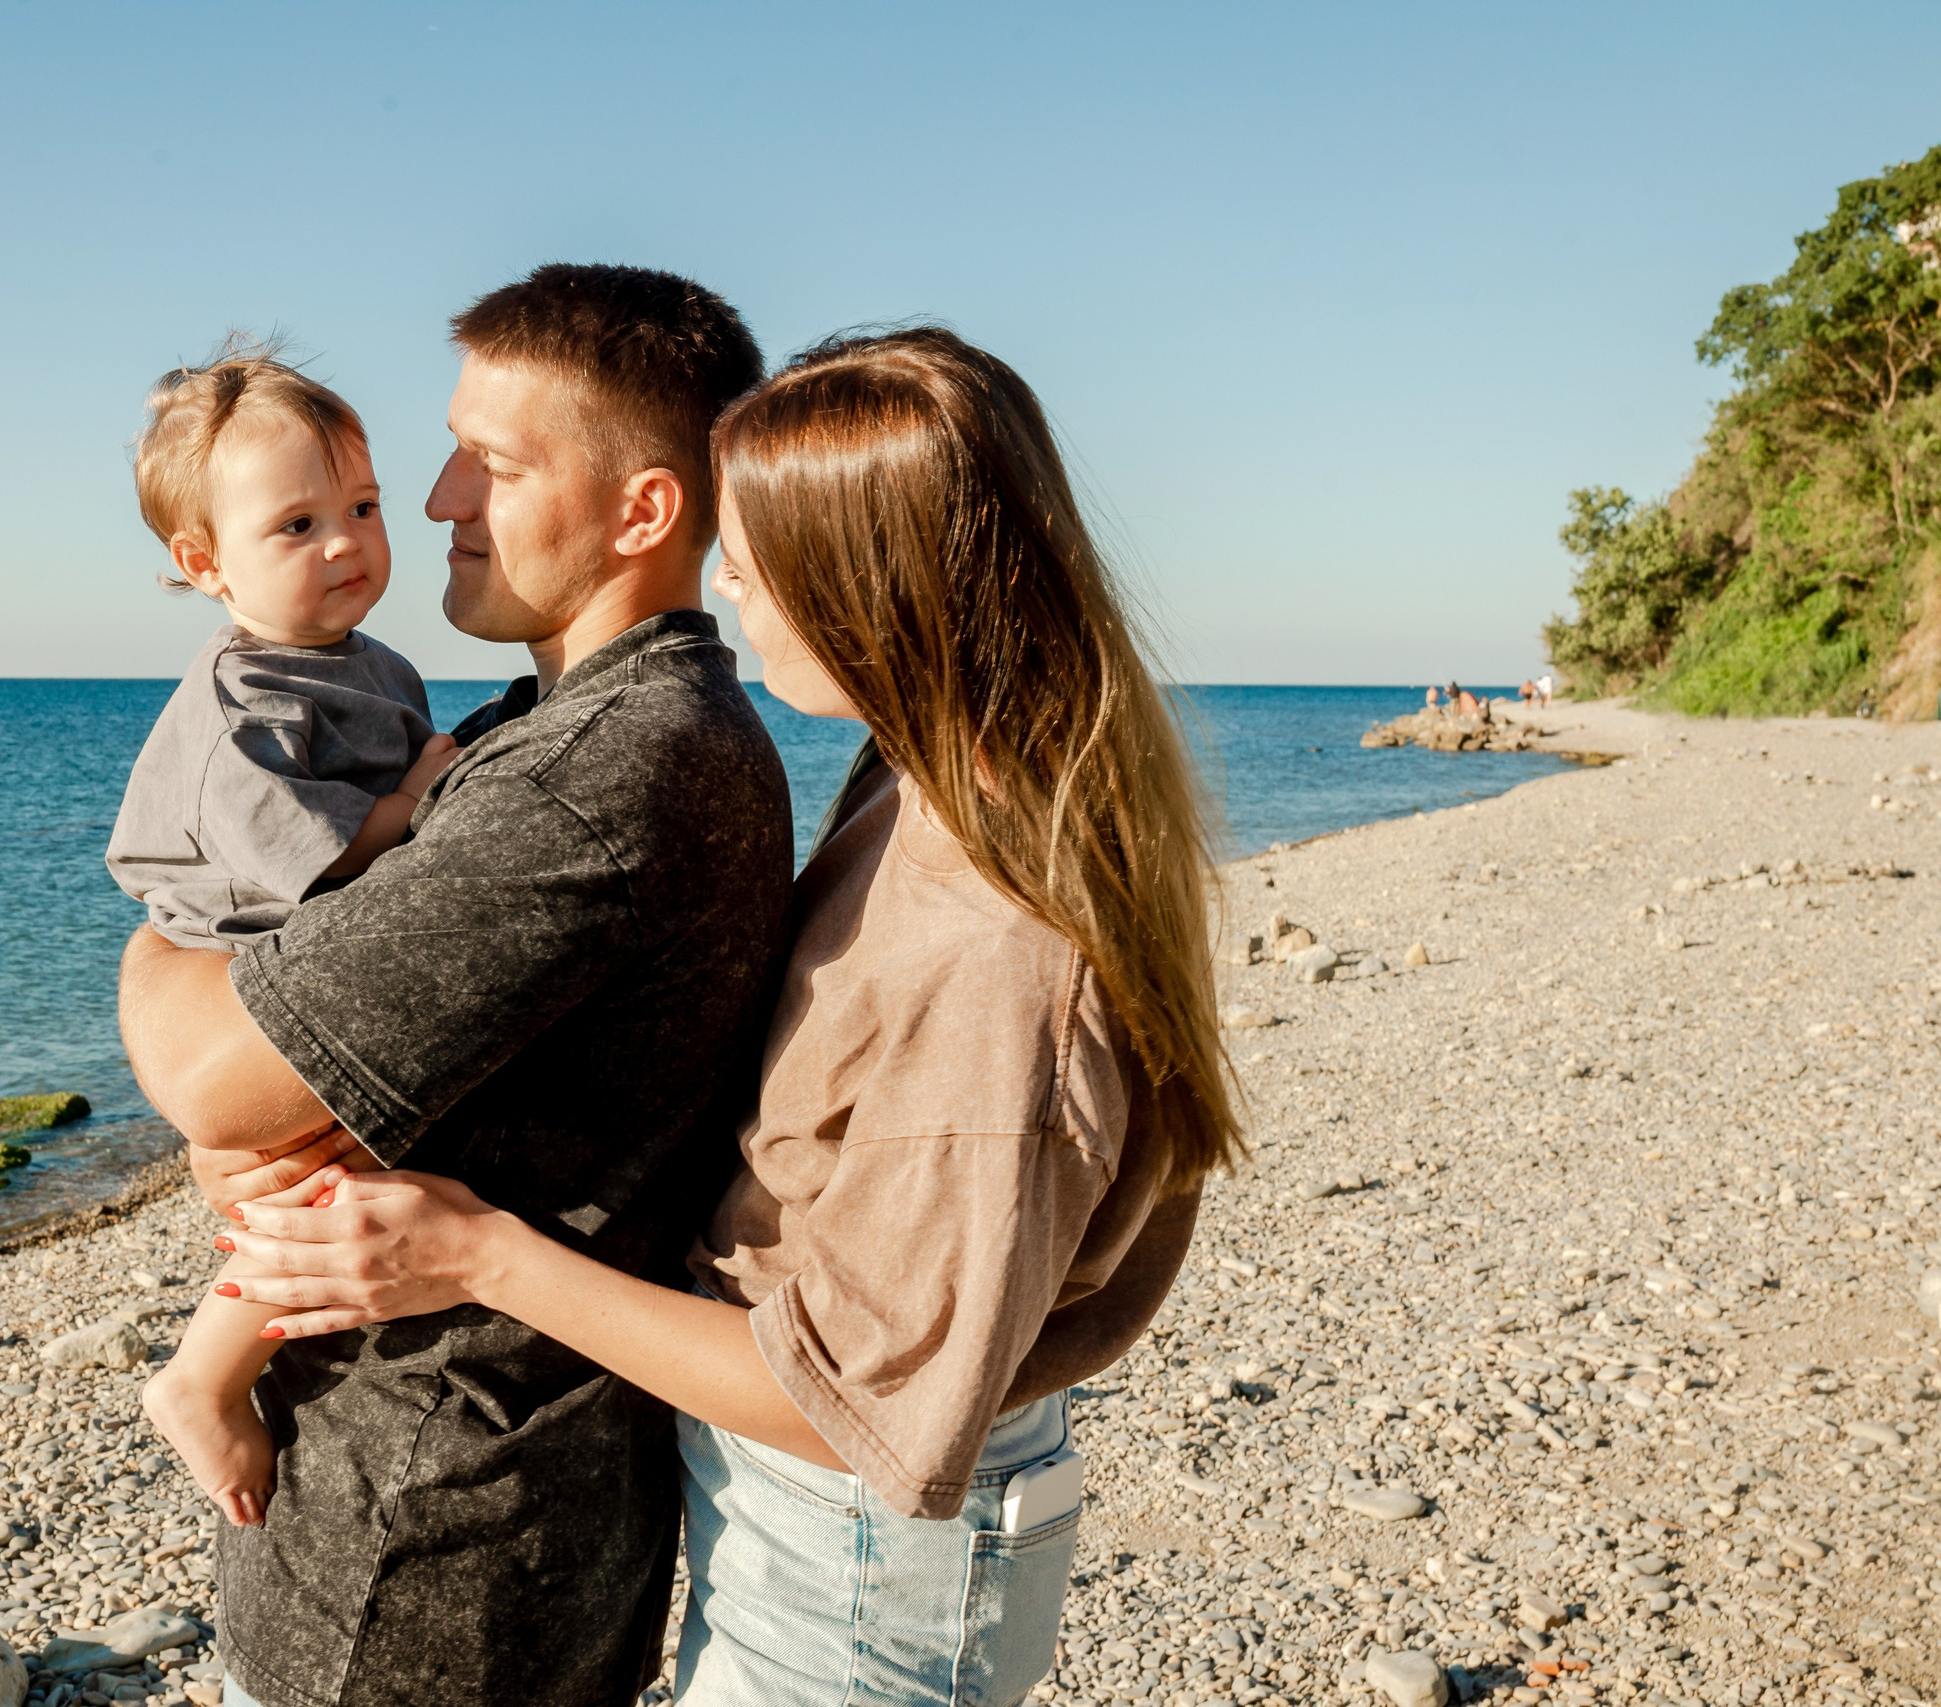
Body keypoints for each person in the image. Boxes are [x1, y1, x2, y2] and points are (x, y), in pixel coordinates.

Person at [217, 328, 1243, 1706]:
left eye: (759, 552)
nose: (730, 582)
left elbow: (861, 1405)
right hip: (819, 1540)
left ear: (878, 579)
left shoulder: (1001, 952)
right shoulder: (934, 782)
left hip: (864, 1568)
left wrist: (480, 1252)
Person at [115, 265, 788, 1707]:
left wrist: (164, 957)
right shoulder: (551, 728)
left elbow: (215, 1079)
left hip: (425, 1547)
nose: (429, 504)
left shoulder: (596, 774)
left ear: (643, 510)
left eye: (487, 461)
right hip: (470, 1508)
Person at [101, 342, 460, 1530]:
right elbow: (303, 856)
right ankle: (204, 1375)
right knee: (322, 1166)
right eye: (296, 525)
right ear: (205, 563)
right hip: (245, 952)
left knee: (333, 1168)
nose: (348, 543)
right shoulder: (240, 708)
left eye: (361, 507)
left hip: (302, 948)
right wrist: (410, 814)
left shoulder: (372, 662)